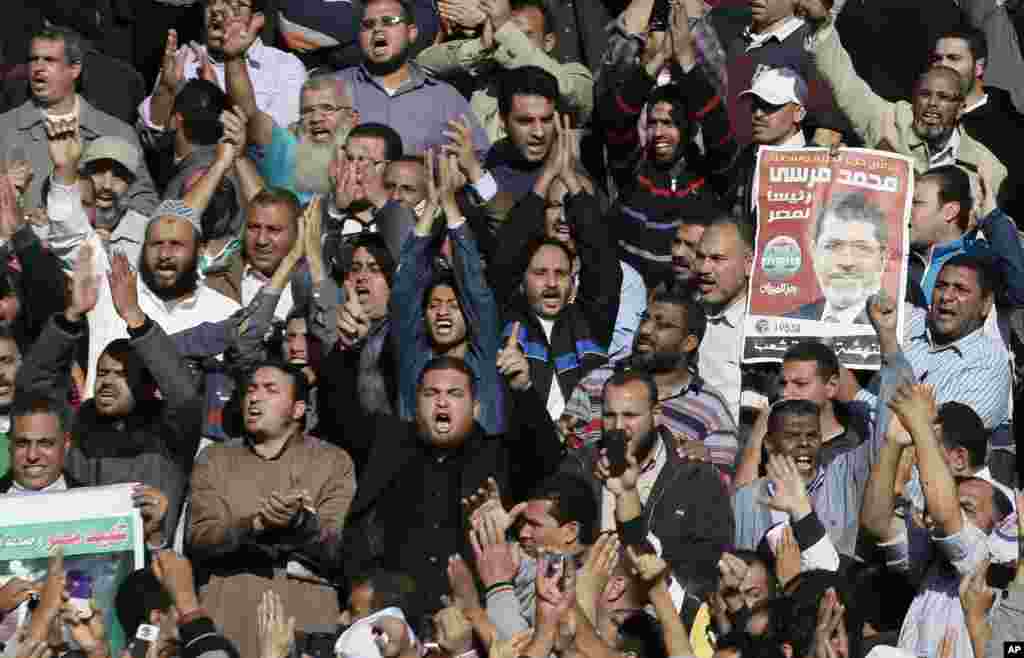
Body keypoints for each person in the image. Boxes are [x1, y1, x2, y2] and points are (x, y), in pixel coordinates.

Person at [341, 356, 565, 620]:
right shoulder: (388, 446)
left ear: (476, 408)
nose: (442, 401)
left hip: (475, 620)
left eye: (455, 394)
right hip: (395, 619)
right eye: (431, 393)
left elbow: (548, 459)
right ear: (415, 405)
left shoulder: (498, 457)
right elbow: (339, 416)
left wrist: (523, 388)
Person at [16, 246, 203, 546]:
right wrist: (71, 316)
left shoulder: (171, 430)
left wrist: (135, 318)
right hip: (86, 566)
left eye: (121, 375)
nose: (107, 382)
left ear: (146, 386)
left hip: (151, 569)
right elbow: (31, 389)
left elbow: (184, 394)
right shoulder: (78, 425)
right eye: (103, 373)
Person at [188, 361, 356, 658]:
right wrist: (255, 525)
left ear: (298, 409)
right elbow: (200, 538)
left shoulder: (332, 461)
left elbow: (340, 547)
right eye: (251, 389)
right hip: (229, 611)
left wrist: (302, 523)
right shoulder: (214, 459)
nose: (255, 397)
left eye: (270, 390)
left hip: (306, 616)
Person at [732, 294, 913, 557]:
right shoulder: (764, 450)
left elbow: (893, 414)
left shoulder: (851, 461)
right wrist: (761, 435)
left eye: (800, 384)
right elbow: (742, 509)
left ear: (831, 387)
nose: (787, 393)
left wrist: (887, 340)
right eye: (783, 384)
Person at [796, 0, 1009, 196]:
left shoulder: (986, 167)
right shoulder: (889, 121)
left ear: (961, 108)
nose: (933, 104)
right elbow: (843, 79)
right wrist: (821, 25)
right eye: (925, 95)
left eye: (944, 97)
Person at [861, 382, 1012, 658]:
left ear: (959, 457)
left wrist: (920, 425)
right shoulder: (937, 517)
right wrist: (893, 442)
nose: (920, 460)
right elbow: (877, 522)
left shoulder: (999, 504)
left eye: (928, 446)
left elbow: (947, 517)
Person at [488, 117, 622, 421]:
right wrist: (546, 176)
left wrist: (572, 181)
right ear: (522, 281)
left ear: (573, 282)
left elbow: (603, 262)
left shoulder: (589, 320)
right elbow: (506, 252)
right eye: (539, 273)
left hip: (583, 450)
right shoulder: (507, 314)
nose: (551, 283)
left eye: (560, 274)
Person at [597, 4, 736, 287]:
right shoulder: (634, 169)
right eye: (653, 123)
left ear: (688, 130)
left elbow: (718, 128)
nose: (659, 132)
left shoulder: (707, 176)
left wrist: (686, 58)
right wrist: (658, 57)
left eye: (670, 124)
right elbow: (620, 116)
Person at [562, 369, 734, 598]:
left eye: (630, 415)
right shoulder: (579, 467)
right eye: (609, 415)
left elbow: (709, 567)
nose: (618, 426)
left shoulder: (696, 478)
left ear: (656, 414)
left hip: (659, 612)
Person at [559, 286, 738, 486]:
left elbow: (723, 487)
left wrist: (706, 464)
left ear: (688, 343)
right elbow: (569, 453)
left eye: (662, 325)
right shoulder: (597, 382)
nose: (645, 330)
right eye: (645, 319)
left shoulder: (711, 409)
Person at [391, 154, 504, 435]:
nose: (442, 312)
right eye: (434, 306)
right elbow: (405, 286)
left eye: (453, 305)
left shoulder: (484, 357)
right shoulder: (413, 356)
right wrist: (432, 205)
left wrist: (450, 204)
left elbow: (477, 291)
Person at [0, 26, 158, 215]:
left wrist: (109, 227)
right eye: (33, 59)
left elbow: (145, 202)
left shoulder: (117, 132)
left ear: (74, 69)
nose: (38, 68)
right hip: (26, 242)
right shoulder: (5, 129)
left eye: (49, 60)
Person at [416, 0, 594, 142]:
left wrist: (504, 27)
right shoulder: (486, 74)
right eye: (504, 32)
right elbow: (424, 64)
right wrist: (483, 46)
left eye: (525, 35)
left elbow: (569, 91)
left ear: (549, 42)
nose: (509, 38)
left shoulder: (574, 74)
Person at [332, 0, 490, 155]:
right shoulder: (331, 90)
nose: (377, 29)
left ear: (412, 33)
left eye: (389, 21)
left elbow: (478, 158)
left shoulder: (446, 99)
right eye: (368, 25)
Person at [140, 0, 307, 136]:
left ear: (257, 18)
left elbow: (277, 145)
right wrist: (165, 91)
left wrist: (214, 99)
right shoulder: (182, 62)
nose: (216, 10)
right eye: (211, 1)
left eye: (233, 4)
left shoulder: (286, 67)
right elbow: (151, 141)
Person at [930, 26, 1024, 219]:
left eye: (954, 58)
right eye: (937, 59)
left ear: (979, 67)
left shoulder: (1012, 130)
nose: (942, 66)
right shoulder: (919, 114)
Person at [204, 188, 310, 321]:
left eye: (273, 230)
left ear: (298, 232)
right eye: (254, 228)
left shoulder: (318, 282)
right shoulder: (215, 282)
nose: (261, 240)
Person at [785, 191, 888, 324]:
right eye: (833, 246)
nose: (847, 262)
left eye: (862, 248)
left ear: (882, 259)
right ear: (814, 252)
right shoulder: (790, 321)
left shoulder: (903, 322)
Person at [694, 216, 754, 426]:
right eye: (700, 257)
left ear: (748, 264)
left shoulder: (759, 329)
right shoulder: (684, 314)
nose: (703, 268)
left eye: (717, 259)